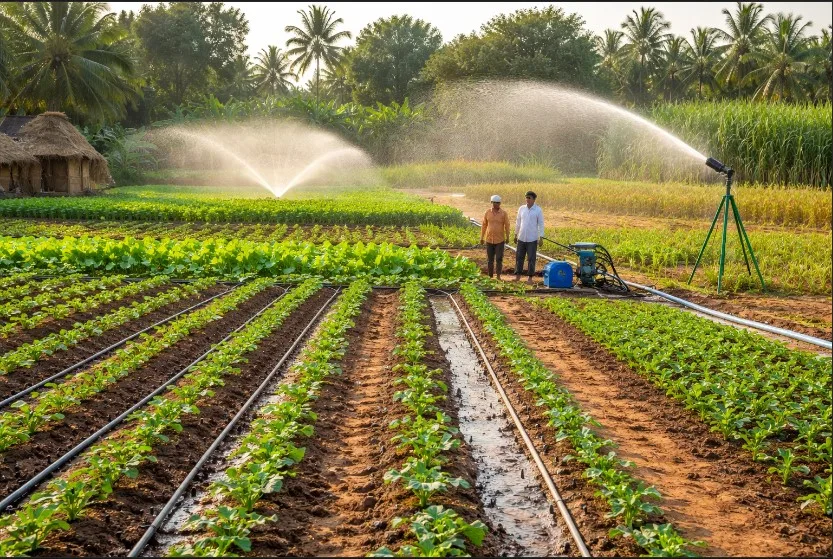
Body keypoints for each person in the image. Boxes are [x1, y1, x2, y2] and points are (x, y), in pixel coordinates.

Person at [514, 190, 544, 283]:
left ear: (534, 199)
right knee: (519, 257)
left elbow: (541, 224)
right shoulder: (521, 209)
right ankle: (518, 276)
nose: (527, 199)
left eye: (529, 198)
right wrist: (515, 234)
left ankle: (530, 278)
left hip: (532, 238)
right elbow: (518, 222)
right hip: (521, 237)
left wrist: (541, 237)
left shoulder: (538, 210)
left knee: (531, 258)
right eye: (526, 197)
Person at [480, 194, 510, 280]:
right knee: (490, 259)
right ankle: (490, 276)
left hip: (500, 240)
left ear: (500, 203)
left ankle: (498, 276)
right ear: (492, 203)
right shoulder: (487, 212)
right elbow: (484, 225)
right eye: (495, 203)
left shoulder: (503, 214)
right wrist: (481, 237)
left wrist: (507, 237)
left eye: (498, 203)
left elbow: (507, 226)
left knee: (499, 258)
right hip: (489, 239)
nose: (496, 204)